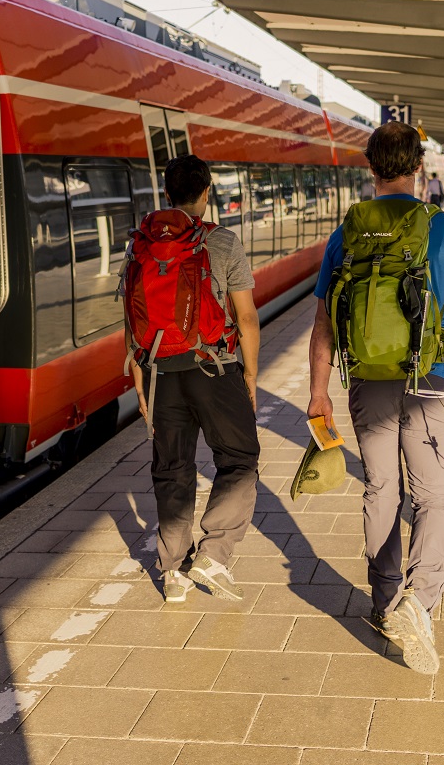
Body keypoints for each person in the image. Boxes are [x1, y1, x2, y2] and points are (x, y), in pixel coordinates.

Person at [307, 122, 444, 673]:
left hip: (367, 379)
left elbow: (322, 326)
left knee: (381, 488)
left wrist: (318, 393)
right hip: (432, 381)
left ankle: (385, 601)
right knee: (432, 497)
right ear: (419, 168)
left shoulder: (348, 233)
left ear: (372, 169)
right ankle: (421, 603)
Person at [125, 155, 261, 603]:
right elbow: (246, 317)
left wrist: (141, 379)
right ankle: (215, 553)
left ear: (167, 194)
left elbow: (131, 319)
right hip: (215, 369)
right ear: (207, 193)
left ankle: (172, 571)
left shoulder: (139, 243)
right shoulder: (221, 241)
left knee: (171, 469)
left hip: (161, 371)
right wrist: (252, 377)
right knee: (239, 458)